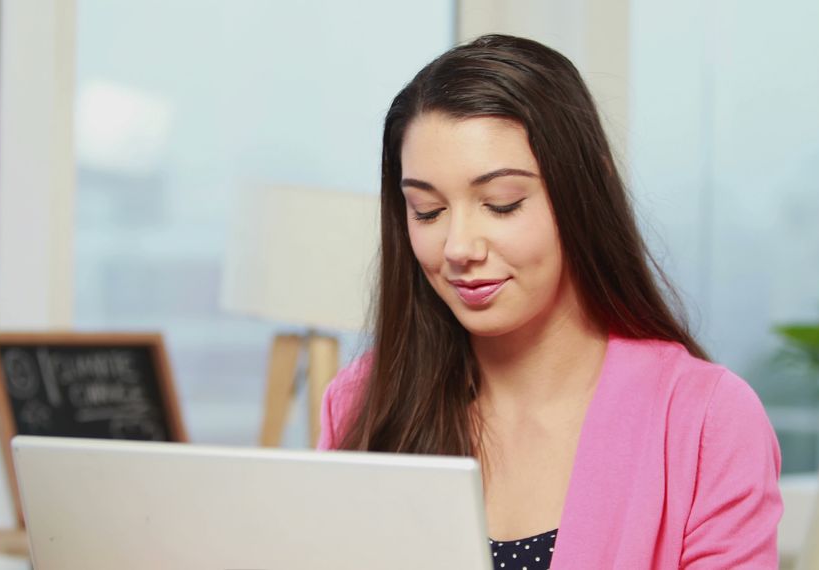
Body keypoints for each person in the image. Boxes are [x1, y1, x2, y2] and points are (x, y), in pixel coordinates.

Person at [317, 35, 781, 569]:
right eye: (427, 211)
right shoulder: (361, 401)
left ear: (586, 190)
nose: (459, 248)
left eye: (501, 204)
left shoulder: (706, 420)